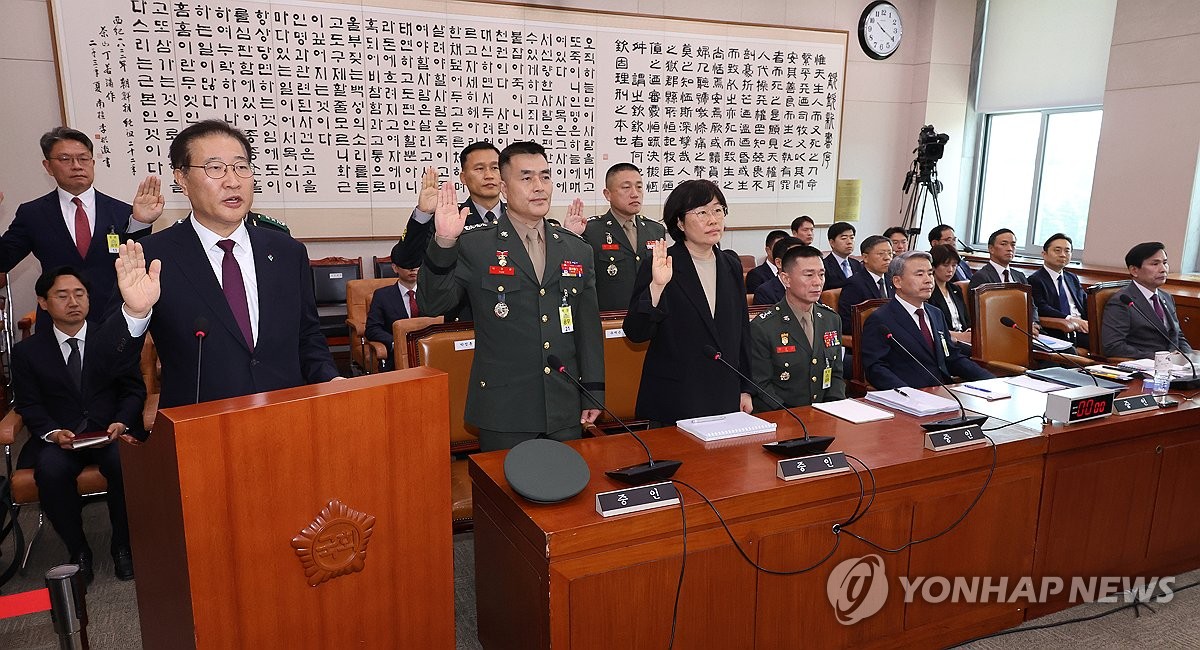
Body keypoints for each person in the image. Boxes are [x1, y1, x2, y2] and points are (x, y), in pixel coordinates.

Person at [95, 119, 339, 409]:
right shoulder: (152, 257)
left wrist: (332, 380)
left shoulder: (287, 251)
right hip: (201, 429)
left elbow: (307, 336)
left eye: (241, 166)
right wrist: (134, 313)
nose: (232, 181)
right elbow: (105, 365)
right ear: (182, 179)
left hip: (287, 418)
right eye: (215, 168)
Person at [417, 141, 603, 451]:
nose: (539, 187)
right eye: (526, 178)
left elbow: (588, 329)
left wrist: (594, 391)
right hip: (504, 409)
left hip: (564, 405)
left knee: (569, 495)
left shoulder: (576, 248)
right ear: (504, 187)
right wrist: (445, 242)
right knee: (504, 497)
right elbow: (433, 303)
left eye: (545, 176)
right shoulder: (477, 245)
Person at [12, 267, 146, 584]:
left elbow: (133, 390)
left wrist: (122, 422)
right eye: (62, 295)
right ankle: (79, 549)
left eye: (80, 294)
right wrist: (52, 432)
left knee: (125, 463)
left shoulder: (112, 340)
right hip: (60, 438)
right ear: (43, 302)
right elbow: (29, 404)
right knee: (51, 471)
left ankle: (122, 546)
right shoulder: (28, 352)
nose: (73, 301)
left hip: (109, 434)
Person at [1, 127, 163, 328]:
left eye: (83, 158)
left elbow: (138, 263)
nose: (76, 166)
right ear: (48, 166)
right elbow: (3, 259)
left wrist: (141, 222)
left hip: (113, 322)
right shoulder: (32, 214)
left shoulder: (123, 212)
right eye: (65, 159)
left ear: (93, 163)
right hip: (57, 326)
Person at [624, 179, 752, 425]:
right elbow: (636, 333)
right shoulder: (661, 263)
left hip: (724, 393)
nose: (713, 219)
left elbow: (742, 332)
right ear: (680, 222)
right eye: (702, 212)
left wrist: (745, 387)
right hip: (676, 397)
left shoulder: (731, 265)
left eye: (718, 210)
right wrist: (657, 286)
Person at [860, 251, 993, 389]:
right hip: (909, 396)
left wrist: (990, 380)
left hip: (943, 391)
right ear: (897, 281)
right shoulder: (881, 319)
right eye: (919, 274)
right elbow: (876, 369)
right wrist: (908, 394)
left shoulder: (935, 313)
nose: (928, 280)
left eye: (930, 273)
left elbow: (951, 357)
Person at [749, 245, 845, 411]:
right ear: (786, 279)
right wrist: (792, 415)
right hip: (784, 416)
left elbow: (835, 373)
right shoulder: (764, 326)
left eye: (821, 274)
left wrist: (834, 409)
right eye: (809, 275)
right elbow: (761, 384)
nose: (817, 282)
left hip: (826, 414)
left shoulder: (831, 319)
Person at [582, 163, 667, 310]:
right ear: (607, 194)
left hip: (648, 317)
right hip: (609, 320)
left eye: (639, 187)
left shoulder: (656, 230)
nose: (635, 193)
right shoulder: (591, 231)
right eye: (626, 188)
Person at [1102, 242, 1193, 359]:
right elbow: (1113, 346)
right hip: (1146, 366)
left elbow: (1178, 336)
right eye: (1155, 264)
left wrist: (1189, 358)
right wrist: (1161, 358)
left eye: (1165, 263)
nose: (1163, 269)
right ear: (1134, 270)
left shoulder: (1166, 297)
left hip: (1176, 367)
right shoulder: (1122, 301)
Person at [968, 227, 1040, 330]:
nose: (1010, 248)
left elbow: (1031, 305)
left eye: (1013, 245)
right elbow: (983, 312)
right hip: (998, 331)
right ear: (991, 249)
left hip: (1026, 330)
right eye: (1004, 244)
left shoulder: (1020, 276)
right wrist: (1023, 326)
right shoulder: (981, 277)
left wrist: (1032, 323)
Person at [365, 241, 421, 371]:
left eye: (416, 265)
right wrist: (395, 342)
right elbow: (372, 329)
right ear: (395, 268)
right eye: (407, 265)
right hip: (396, 358)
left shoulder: (431, 293)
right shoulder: (382, 296)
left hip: (427, 352)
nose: (412, 269)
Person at [1029, 233, 1090, 349]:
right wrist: (1069, 319)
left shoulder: (1072, 278)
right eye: (1057, 250)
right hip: (1060, 330)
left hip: (1083, 328)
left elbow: (1085, 302)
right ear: (1044, 254)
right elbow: (1042, 308)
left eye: (1067, 251)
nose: (1063, 255)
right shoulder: (1035, 280)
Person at [837, 234, 894, 326]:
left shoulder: (893, 280)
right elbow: (847, 321)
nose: (887, 258)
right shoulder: (854, 284)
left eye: (890, 253)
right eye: (881, 254)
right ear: (865, 257)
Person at [928, 244, 972, 344]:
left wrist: (969, 331)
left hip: (965, 339)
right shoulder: (928, 291)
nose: (950, 270)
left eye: (954, 265)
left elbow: (966, 320)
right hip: (947, 341)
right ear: (934, 266)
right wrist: (961, 336)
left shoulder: (955, 289)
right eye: (945, 265)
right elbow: (933, 328)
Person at [752, 236, 803, 306]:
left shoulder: (810, 286)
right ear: (779, 263)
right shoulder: (765, 292)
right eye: (794, 258)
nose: (801, 263)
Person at [745, 229, 790, 295]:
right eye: (778, 248)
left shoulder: (795, 274)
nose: (783, 252)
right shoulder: (756, 275)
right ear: (768, 250)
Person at [822, 221, 863, 290]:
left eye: (852, 238)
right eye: (844, 238)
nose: (849, 242)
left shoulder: (857, 264)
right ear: (832, 242)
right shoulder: (824, 265)